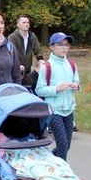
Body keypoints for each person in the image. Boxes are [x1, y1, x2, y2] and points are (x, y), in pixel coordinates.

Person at [35, 32, 81, 161]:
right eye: (61, 45)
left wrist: (76, 87)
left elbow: (77, 82)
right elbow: (40, 89)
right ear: (52, 47)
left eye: (67, 45)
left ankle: (47, 161)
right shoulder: (47, 66)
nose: (64, 48)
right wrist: (57, 88)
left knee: (66, 146)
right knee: (62, 145)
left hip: (69, 109)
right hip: (54, 110)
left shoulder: (71, 65)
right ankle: (62, 174)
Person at [7, 15, 45, 87]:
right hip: (15, 70)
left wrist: (41, 61)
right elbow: (10, 53)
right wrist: (17, 65)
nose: (26, 24)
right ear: (18, 25)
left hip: (27, 69)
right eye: (24, 22)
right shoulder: (12, 37)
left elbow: (37, 49)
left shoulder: (32, 36)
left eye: (28, 22)